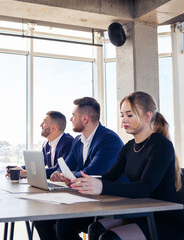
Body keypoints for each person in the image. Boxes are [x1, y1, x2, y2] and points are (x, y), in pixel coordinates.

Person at [71, 91, 184, 240]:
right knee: (94, 229)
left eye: (129, 115)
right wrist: (83, 182)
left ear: (148, 116)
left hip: (164, 219)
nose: (124, 121)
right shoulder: (129, 147)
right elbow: (110, 177)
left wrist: (101, 186)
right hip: (140, 212)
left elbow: (144, 188)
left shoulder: (161, 145)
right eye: (122, 115)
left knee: (108, 238)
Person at [34, 97, 125, 240]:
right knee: (41, 219)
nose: (70, 119)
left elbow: (91, 173)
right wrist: (59, 173)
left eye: (73, 116)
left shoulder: (109, 140)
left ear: (85, 119)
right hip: (86, 199)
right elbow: (65, 167)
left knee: (64, 225)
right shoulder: (78, 141)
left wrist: (68, 175)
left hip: (108, 202)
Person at [7, 111, 73, 179]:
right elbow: (39, 165)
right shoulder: (46, 144)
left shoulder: (69, 143)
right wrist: (19, 169)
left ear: (53, 128)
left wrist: (26, 173)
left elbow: (58, 170)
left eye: (44, 122)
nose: (41, 125)